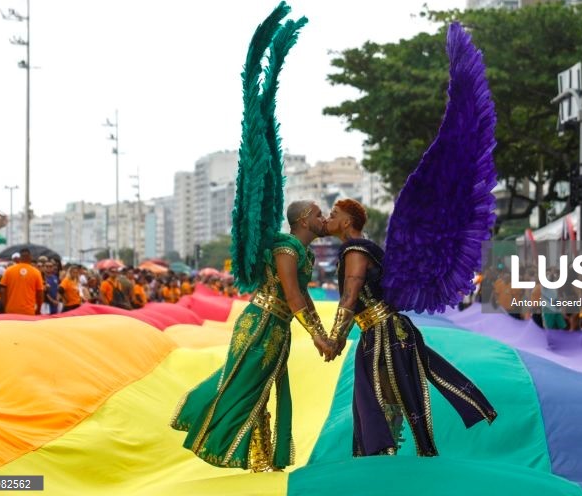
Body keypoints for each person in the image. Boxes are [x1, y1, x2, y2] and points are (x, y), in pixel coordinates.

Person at [323, 199, 497, 457]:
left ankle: (387, 456)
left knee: (382, 395)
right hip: (379, 331)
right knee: (379, 395)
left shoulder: (356, 250)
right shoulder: (359, 249)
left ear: (347, 222)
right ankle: (386, 453)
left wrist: (334, 340)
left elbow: (350, 296)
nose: (328, 218)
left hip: (385, 332)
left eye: (333, 214)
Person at [170, 201, 333, 471]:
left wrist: (322, 333)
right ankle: (203, 416)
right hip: (260, 323)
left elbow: (304, 295)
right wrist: (316, 335)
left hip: (279, 325)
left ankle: (262, 459)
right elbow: (292, 295)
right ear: (303, 220)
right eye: (318, 214)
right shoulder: (286, 248)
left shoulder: (307, 254)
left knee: (262, 387)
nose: (324, 218)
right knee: (246, 386)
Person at [0, 248, 44, 315]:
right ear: (30, 257)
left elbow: (2, 290)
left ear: (20, 258)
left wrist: (4, 307)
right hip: (28, 312)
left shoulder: (9, 270)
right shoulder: (36, 272)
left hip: (11, 311)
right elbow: (40, 294)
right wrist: (38, 309)